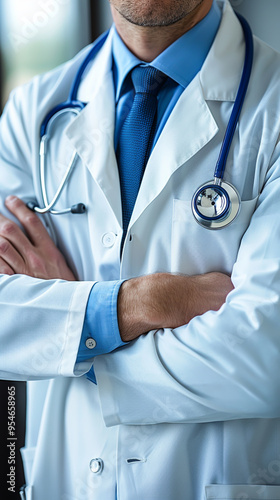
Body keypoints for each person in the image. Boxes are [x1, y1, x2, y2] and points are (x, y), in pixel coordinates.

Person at [0, 0, 280, 498]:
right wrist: (138, 304)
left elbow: (265, 357)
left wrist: (68, 330)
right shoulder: (32, 114)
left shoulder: (272, 104)